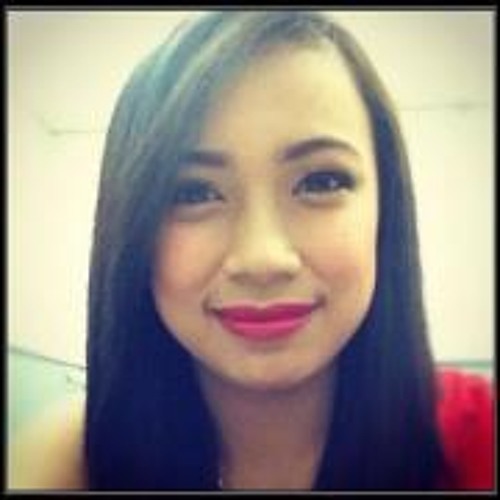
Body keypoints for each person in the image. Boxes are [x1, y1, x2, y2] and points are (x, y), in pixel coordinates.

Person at [8, 10, 494, 491]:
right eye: (194, 192)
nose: (263, 259)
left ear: (385, 208)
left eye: (321, 181)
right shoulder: (73, 461)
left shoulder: (479, 436)